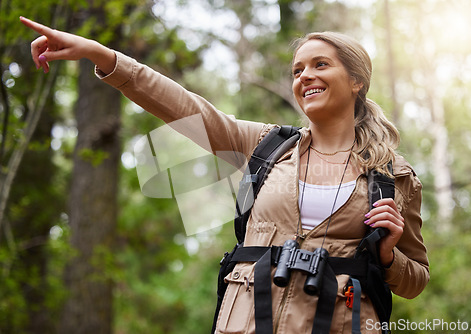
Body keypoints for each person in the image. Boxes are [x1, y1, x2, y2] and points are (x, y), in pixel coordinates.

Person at [20, 16, 429, 333]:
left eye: (320, 65)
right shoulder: (268, 145)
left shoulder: (393, 176)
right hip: (246, 322)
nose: (304, 77)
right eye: (297, 70)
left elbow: (415, 280)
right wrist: (101, 54)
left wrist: (389, 255)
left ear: (357, 81)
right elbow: (184, 107)